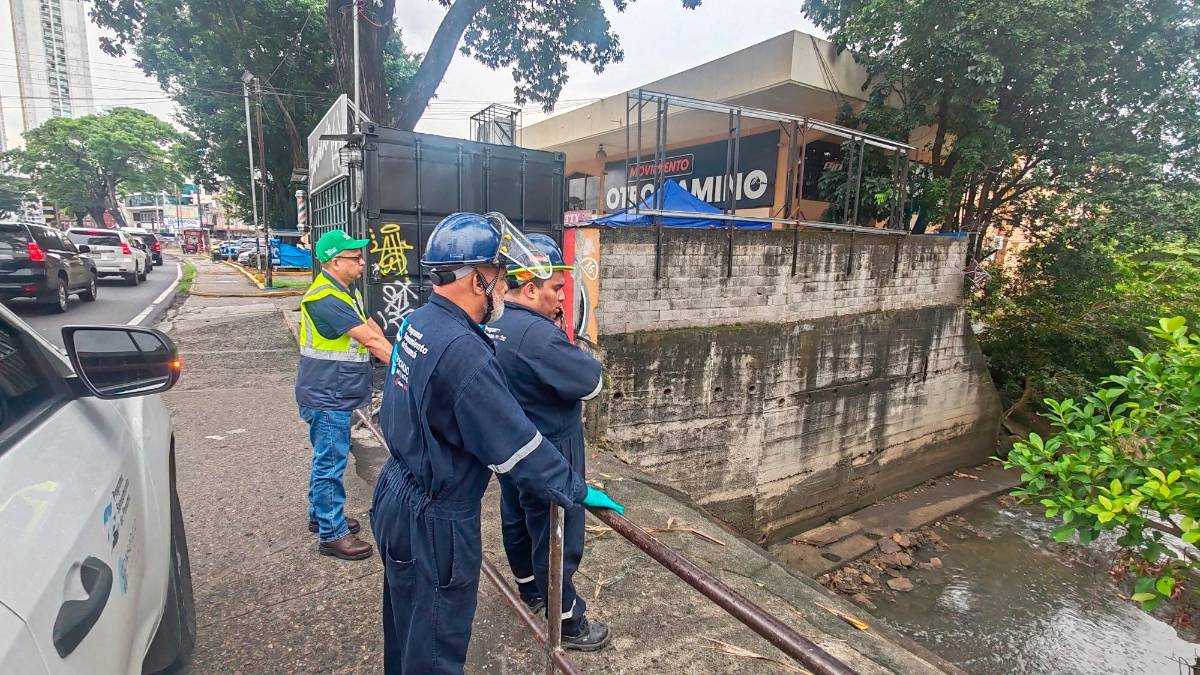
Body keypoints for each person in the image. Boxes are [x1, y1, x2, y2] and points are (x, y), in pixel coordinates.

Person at [372, 212, 624, 674]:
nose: (505, 287)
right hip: (434, 516)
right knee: (435, 649)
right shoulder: (463, 352)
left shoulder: (418, 322)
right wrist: (576, 489)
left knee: (405, 630)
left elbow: (394, 407)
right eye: (500, 276)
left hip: (397, 491)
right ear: (477, 281)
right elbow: (518, 448)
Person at [485, 233, 610, 650]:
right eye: (556, 288)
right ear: (530, 288)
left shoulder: (493, 321)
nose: (561, 297)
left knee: (516, 516)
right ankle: (568, 621)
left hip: (509, 443)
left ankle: (529, 588)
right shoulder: (538, 337)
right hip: (550, 445)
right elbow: (591, 383)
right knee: (556, 532)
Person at [295, 229, 392, 561]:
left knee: (327, 457)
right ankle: (332, 533)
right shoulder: (325, 298)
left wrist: (392, 353)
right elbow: (370, 340)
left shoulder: (347, 292)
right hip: (327, 394)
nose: (362, 262)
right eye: (355, 257)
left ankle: (319, 514)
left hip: (335, 390)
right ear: (335, 262)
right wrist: (406, 368)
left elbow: (373, 328)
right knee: (331, 462)